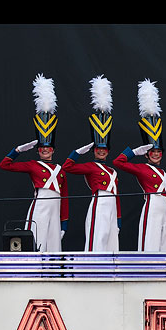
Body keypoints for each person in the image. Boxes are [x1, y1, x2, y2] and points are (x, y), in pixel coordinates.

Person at [0, 74, 68, 252]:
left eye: (48, 148)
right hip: (41, 204)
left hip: (56, 206)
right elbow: (4, 165)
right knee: (37, 240)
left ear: (53, 150)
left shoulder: (60, 170)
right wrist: (18, 151)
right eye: (42, 148)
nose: (45, 150)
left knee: (54, 246)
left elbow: (65, 199)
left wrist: (64, 224)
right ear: (38, 150)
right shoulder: (32, 165)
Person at [112, 79, 166, 251]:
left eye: (158, 152)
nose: (155, 154)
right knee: (151, 240)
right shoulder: (142, 168)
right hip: (152, 205)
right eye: (152, 152)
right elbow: (118, 162)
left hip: (165, 209)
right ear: (147, 154)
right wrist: (133, 152)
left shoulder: (165, 173)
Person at [62, 75, 120, 252]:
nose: (101, 151)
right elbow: (67, 168)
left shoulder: (112, 170)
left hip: (111, 204)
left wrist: (118, 218)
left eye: (103, 149)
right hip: (99, 201)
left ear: (108, 151)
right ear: (94, 150)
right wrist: (78, 153)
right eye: (97, 149)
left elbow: (116, 195)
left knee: (111, 241)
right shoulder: (90, 166)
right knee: (97, 237)